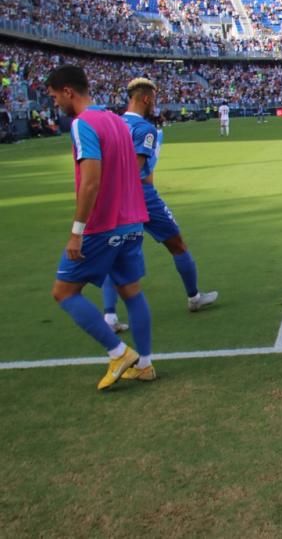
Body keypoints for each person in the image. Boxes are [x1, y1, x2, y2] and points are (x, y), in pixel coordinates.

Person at [46, 65, 155, 389]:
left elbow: (90, 182)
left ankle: (118, 352)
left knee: (64, 292)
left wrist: (76, 231)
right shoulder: (116, 120)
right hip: (132, 220)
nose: (55, 104)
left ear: (68, 91)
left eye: (54, 97)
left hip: (103, 225)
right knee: (132, 292)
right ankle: (145, 364)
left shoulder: (83, 125)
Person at [101, 78, 219, 333]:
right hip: (140, 195)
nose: (155, 102)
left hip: (111, 197)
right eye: (154, 97)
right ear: (146, 98)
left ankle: (109, 316)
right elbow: (135, 170)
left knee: (115, 254)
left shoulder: (110, 124)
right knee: (177, 244)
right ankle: (194, 297)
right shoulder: (145, 129)